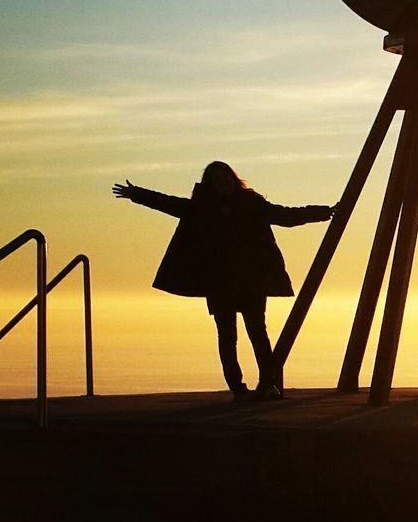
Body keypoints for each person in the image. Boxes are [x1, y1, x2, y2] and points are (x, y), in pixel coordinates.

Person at [113, 162, 334, 399]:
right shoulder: (201, 208)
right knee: (227, 336)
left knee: (257, 332)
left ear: (233, 179)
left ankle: (267, 384)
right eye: (216, 181)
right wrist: (136, 194)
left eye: (224, 179)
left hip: (251, 280)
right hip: (219, 282)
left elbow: (285, 215)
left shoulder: (252, 204)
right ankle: (237, 388)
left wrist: (322, 212)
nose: (221, 184)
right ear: (210, 185)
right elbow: (169, 203)